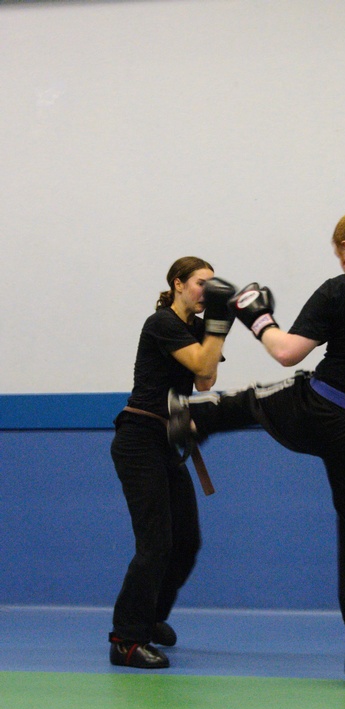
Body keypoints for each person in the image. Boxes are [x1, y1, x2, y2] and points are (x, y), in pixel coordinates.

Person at [168, 212, 345, 684]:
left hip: (324, 410)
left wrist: (257, 316)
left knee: (258, 399)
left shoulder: (340, 289)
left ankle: (192, 418)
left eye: (340, 255)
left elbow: (287, 351)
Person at [109, 257, 235, 668]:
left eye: (213, 285)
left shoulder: (196, 329)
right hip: (139, 438)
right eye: (201, 283)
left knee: (186, 542)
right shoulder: (161, 323)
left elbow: (205, 380)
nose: (207, 291)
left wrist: (216, 324)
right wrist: (218, 324)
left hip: (167, 441)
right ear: (178, 284)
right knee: (156, 544)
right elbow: (201, 364)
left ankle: (150, 617)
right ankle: (125, 640)